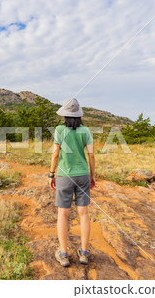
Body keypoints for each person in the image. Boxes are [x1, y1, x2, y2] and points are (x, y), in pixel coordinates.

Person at [48, 98, 95, 267]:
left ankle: (63, 254)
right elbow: (91, 155)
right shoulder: (86, 131)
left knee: (63, 214)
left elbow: (55, 154)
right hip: (82, 175)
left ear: (65, 115)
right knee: (83, 214)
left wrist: (51, 174)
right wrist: (92, 175)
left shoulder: (60, 130)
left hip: (64, 176)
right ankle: (83, 253)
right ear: (79, 115)